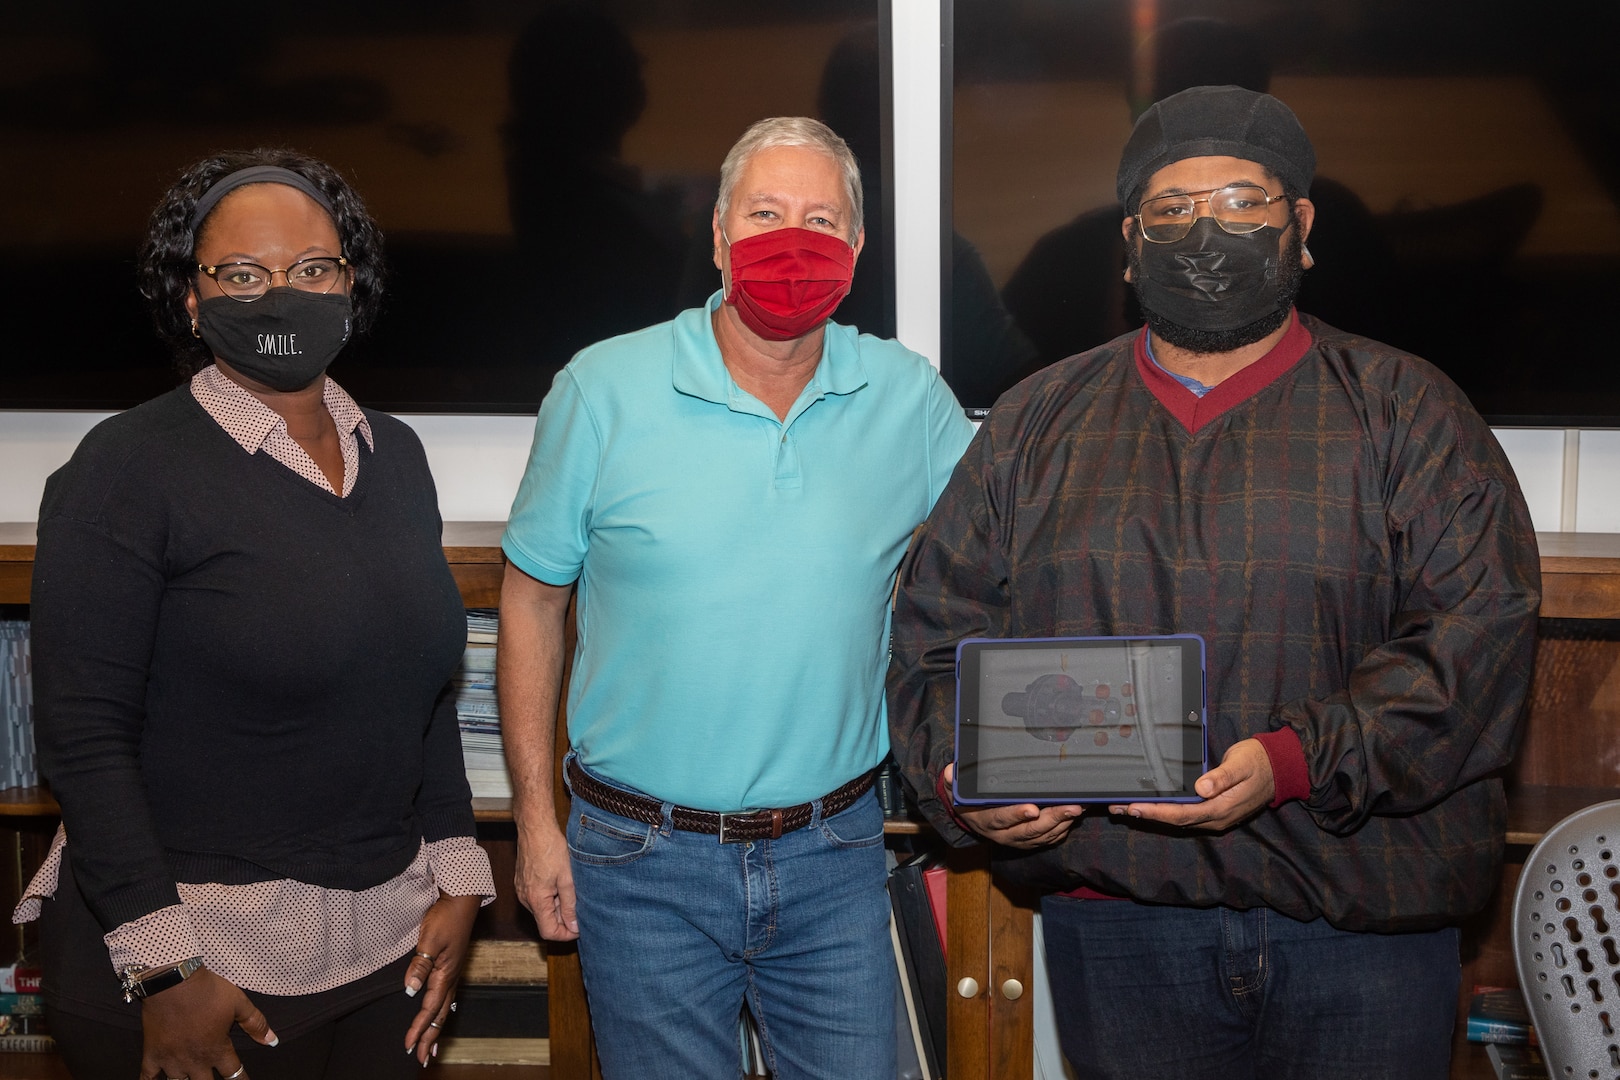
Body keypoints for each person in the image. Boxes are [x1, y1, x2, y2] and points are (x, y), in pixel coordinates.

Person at [888, 85, 1541, 1079]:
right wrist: (965, 782)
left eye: (1244, 203)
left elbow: (1475, 646)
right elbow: (936, 636)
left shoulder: (1412, 414)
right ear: (1129, 240)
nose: (1207, 231)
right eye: (1174, 209)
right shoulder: (1032, 424)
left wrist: (1293, 760)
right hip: (1122, 925)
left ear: (1302, 226)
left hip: (1361, 920)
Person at [498, 116, 975, 1079]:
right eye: (764, 214)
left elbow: (997, 572)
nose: (791, 240)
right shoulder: (602, 389)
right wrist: (535, 826)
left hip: (835, 853)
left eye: (819, 219)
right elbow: (531, 602)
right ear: (718, 236)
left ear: (856, 247)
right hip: (638, 859)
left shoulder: (909, 400)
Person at [18, 149, 494, 1080]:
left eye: (312, 269)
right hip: (200, 966)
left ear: (351, 285)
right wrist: (167, 969)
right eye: (243, 274)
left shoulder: (394, 453)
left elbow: (426, 694)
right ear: (191, 301)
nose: (282, 295)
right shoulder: (123, 469)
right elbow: (82, 736)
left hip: (386, 952)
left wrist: (462, 879)